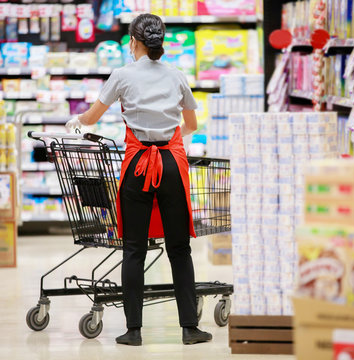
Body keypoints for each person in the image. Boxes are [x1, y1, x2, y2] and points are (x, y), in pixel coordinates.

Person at [65, 14, 211, 346]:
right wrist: (171, 136)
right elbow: (191, 125)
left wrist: (77, 121)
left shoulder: (122, 75)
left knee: (133, 249)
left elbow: (91, 118)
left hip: (136, 165)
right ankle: (190, 328)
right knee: (179, 248)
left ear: (134, 41)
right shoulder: (176, 76)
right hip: (172, 163)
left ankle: (133, 331)